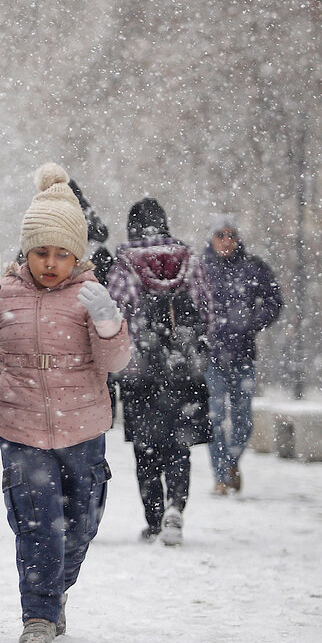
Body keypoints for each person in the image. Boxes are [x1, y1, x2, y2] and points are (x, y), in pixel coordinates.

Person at [0, 164, 130, 643]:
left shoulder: (91, 295)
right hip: (21, 426)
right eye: (40, 252)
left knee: (81, 523)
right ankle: (38, 613)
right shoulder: (4, 293)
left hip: (83, 425)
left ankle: (55, 588)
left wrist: (107, 323)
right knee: (36, 523)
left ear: (77, 254)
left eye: (61, 253)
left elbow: (117, 360)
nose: (50, 263)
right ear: (25, 251)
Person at [107, 198, 214, 546]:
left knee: (146, 447)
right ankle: (175, 507)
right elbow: (206, 310)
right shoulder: (187, 258)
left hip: (141, 373)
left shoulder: (125, 261)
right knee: (179, 444)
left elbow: (115, 312)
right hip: (183, 371)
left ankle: (153, 520)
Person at [200, 214, 283, 495]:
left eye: (230, 235)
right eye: (220, 235)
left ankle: (232, 461)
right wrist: (201, 331)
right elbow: (188, 303)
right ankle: (221, 476)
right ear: (211, 239)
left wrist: (252, 321)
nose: (226, 241)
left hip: (243, 354)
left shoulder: (252, 267)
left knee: (243, 419)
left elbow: (274, 299)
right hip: (211, 356)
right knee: (215, 417)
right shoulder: (200, 268)